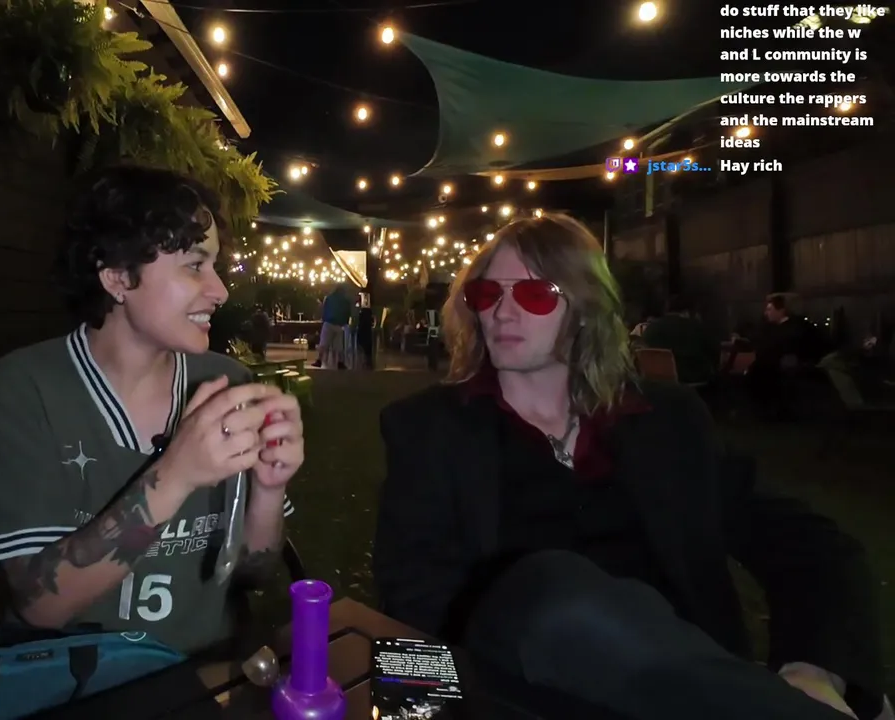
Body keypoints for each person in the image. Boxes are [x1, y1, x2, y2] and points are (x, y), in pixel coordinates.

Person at [372, 213, 889, 720]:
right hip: (516, 691)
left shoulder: (666, 421)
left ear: (585, 310)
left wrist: (814, 672)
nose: (502, 313)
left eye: (534, 294)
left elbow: (810, 543)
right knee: (556, 592)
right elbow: (414, 599)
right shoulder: (429, 428)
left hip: (687, 698)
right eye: (487, 294)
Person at [0, 167, 303, 655]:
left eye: (215, 265)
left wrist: (269, 490)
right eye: (195, 265)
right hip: (76, 680)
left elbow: (252, 574)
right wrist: (177, 473)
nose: (220, 290)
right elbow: (40, 607)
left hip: (200, 671)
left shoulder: (228, 384)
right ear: (118, 277)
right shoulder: (23, 390)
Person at [641, 295, 721, 384]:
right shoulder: (696, 327)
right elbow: (715, 351)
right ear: (686, 312)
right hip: (695, 380)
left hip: (659, 382)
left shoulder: (651, 328)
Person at [312, 283, 352, 369]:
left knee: (323, 344)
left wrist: (324, 319)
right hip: (339, 325)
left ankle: (319, 360)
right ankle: (340, 362)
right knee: (339, 346)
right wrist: (345, 323)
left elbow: (324, 309)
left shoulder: (329, 298)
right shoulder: (346, 301)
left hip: (329, 323)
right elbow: (348, 313)